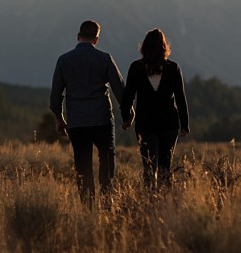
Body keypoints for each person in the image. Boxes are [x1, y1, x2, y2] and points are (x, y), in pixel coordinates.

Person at [50, 20, 125, 204]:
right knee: (107, 159)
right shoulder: (105, 58)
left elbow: (56, 93)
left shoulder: (63, 60)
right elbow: (120, 89)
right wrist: (128, 113)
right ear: (96, 39)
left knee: (82, 166)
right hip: (102, 119)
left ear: (78, 36)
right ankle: (108, 201)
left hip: (77, 121)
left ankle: (88, 208)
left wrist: (59, 117)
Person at [121, 28, 189, 189]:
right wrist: (185, 125)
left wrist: (126, 118)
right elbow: (180, 98)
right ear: (164, 47)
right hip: (169, 124)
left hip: (145, 124)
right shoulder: (173, 68)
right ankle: (164, 203)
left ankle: (149, 200)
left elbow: (127, 96)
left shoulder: (136, 67)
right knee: (165, 166)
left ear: (144, 47)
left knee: (149, 166)